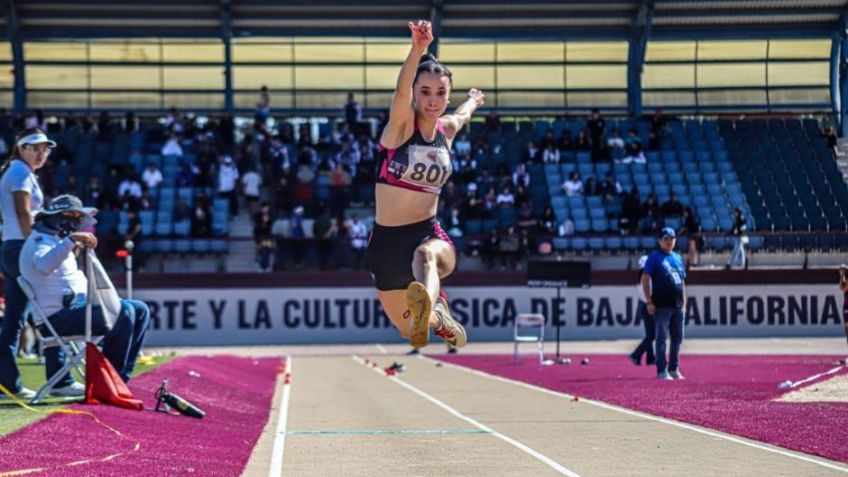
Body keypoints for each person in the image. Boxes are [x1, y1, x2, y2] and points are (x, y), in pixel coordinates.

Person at [368, 20, 483, 349]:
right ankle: (438, 317)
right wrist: (417, 48)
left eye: (441, 93)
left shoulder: (446, 131)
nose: (433, 100)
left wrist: (473, 101)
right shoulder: (401, 129)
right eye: (425, 92)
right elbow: (400, 93)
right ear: (415, 94)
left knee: (426, 256)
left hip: (428, 233)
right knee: (409, 333)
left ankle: (430, 309)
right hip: (386, 245)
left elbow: (462, 116)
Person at [20, 195, 150, 384]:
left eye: (77, 217)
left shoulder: (56, 239)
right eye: (69, 215)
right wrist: (71, 240)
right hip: (56, 318)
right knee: (124, 312)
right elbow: (43, 265)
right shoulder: (40, 240)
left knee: (140, 309)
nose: (74, 221)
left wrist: (69, 242)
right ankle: (105, 383)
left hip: (73, 310)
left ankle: (119, 381)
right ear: (53, 215)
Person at [0, 128, 80, 400]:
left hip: (12, 247)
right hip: (21, 248)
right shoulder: (20, 172)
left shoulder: (16, 170)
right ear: (21, 148)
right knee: (52, 306)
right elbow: (23, 213)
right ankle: (60, 379)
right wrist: (32, 247)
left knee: (14, 320)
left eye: (44, 149)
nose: (41, 153)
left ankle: (7, 383)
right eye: (34, 148)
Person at [642, 227, 687, 380]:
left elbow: (682, 281)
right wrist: (649, 301)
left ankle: (674, 368)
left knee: (678, 337)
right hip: (661, 305)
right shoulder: (654, 257)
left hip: (678, 305)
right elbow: (645, 279)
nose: (669, 241)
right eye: (666, 239)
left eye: (672, 238)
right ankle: (661, 370)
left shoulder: (678, 258)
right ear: (660, 241)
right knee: (661, 338)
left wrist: (684, 302)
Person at [628, 255, 655, 367]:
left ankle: (650, 358)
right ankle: (635, 355)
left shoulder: (640, 277)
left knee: (650, 334)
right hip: (648, 306)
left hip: (644, 305)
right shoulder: (647, 278)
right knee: (652, 335)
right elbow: (651, 293)